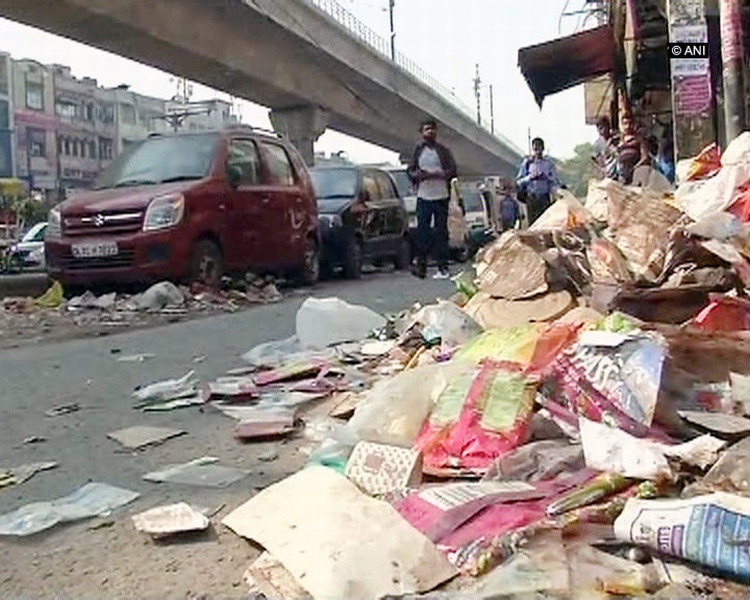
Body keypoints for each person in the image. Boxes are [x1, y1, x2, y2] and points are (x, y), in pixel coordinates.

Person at [407, 118, 457, 280]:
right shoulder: (418, 151)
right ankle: (421, 266)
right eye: (427, 129)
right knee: (423, 232)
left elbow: (453, 170)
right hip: (424, 196)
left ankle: (443, 267)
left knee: (441, 232)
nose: (430, 132)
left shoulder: (442, 151)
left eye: (432, 129)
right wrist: (419, 176)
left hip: (441, 196)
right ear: (421, 133)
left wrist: (438, 174)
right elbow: (410, 171)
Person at [516, 137, 560, 224]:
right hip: (531, 198)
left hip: (544, 198)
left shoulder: (548, 164)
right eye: (535, 149)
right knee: (533, 224)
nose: (537, 151)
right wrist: (530, 178)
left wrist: (545, 177)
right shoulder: (527, 163)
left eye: (539, 148)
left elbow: (554, 181)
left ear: (543, 148)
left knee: (545, 223)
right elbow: (519, 181)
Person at [616, 113, 650, 185]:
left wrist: (635, 168)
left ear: (633, 124)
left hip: (637, 174)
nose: (628, 126)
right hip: (623, 176)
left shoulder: (639, 139)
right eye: (625, 124)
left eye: (630, 123)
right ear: (622, 125)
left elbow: (645, 157)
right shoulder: (619, 141)